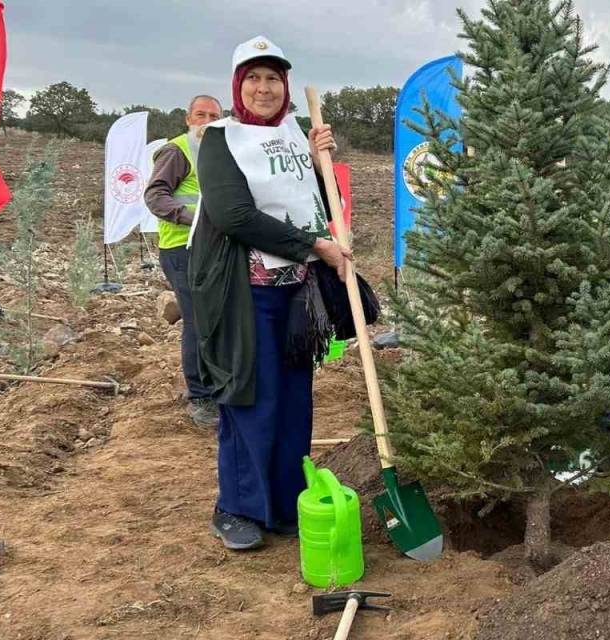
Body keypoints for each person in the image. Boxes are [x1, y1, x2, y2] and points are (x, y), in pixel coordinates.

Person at [190, 36, 352, 550]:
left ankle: (285, 505)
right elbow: (232, 214)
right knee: (251, 398)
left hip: (296, 295)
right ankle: (238, 508)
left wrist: (320, 162)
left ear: (285, 86)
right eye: (254, 78)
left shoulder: (294, 134)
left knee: (294, 403)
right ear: (239, 85)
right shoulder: (220, 138)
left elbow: (321, 203)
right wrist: (313, 246)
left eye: (273, 78)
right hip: (245, 294)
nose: (265, 88)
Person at [144, 94, 223, 427]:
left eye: (214, 116)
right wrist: (191, 217)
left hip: (211, 248)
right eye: (200, 115)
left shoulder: (219, 152)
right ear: (188, 119)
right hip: (181, 248)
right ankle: (200, 396)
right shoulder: (177, 150)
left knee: (214, 319)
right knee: (197, 320)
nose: (207, 121)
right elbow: (155, 195)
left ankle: (216, 385)